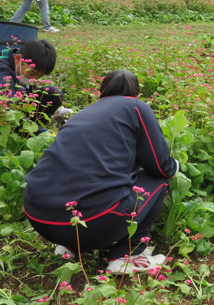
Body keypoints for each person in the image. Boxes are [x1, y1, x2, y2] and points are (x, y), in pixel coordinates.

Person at [24, 70, 179, 274]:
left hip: (39, 217)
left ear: (101, 92)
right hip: (95, 222)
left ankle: (69, 246)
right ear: (138, 94)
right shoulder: (135, 107)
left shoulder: (83, 114)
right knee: (158, 180)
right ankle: (128, 255)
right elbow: (160, 166)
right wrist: (174, 165)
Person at [0, 39, 69, 127]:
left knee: (52, 94)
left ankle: (30, 132)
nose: (34, 79)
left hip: (11, 101)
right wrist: (44, 135)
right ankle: (30, 133)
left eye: (39, 76)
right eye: (32, 73)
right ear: (18, 59)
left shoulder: (21, 61)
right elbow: (5, 109)